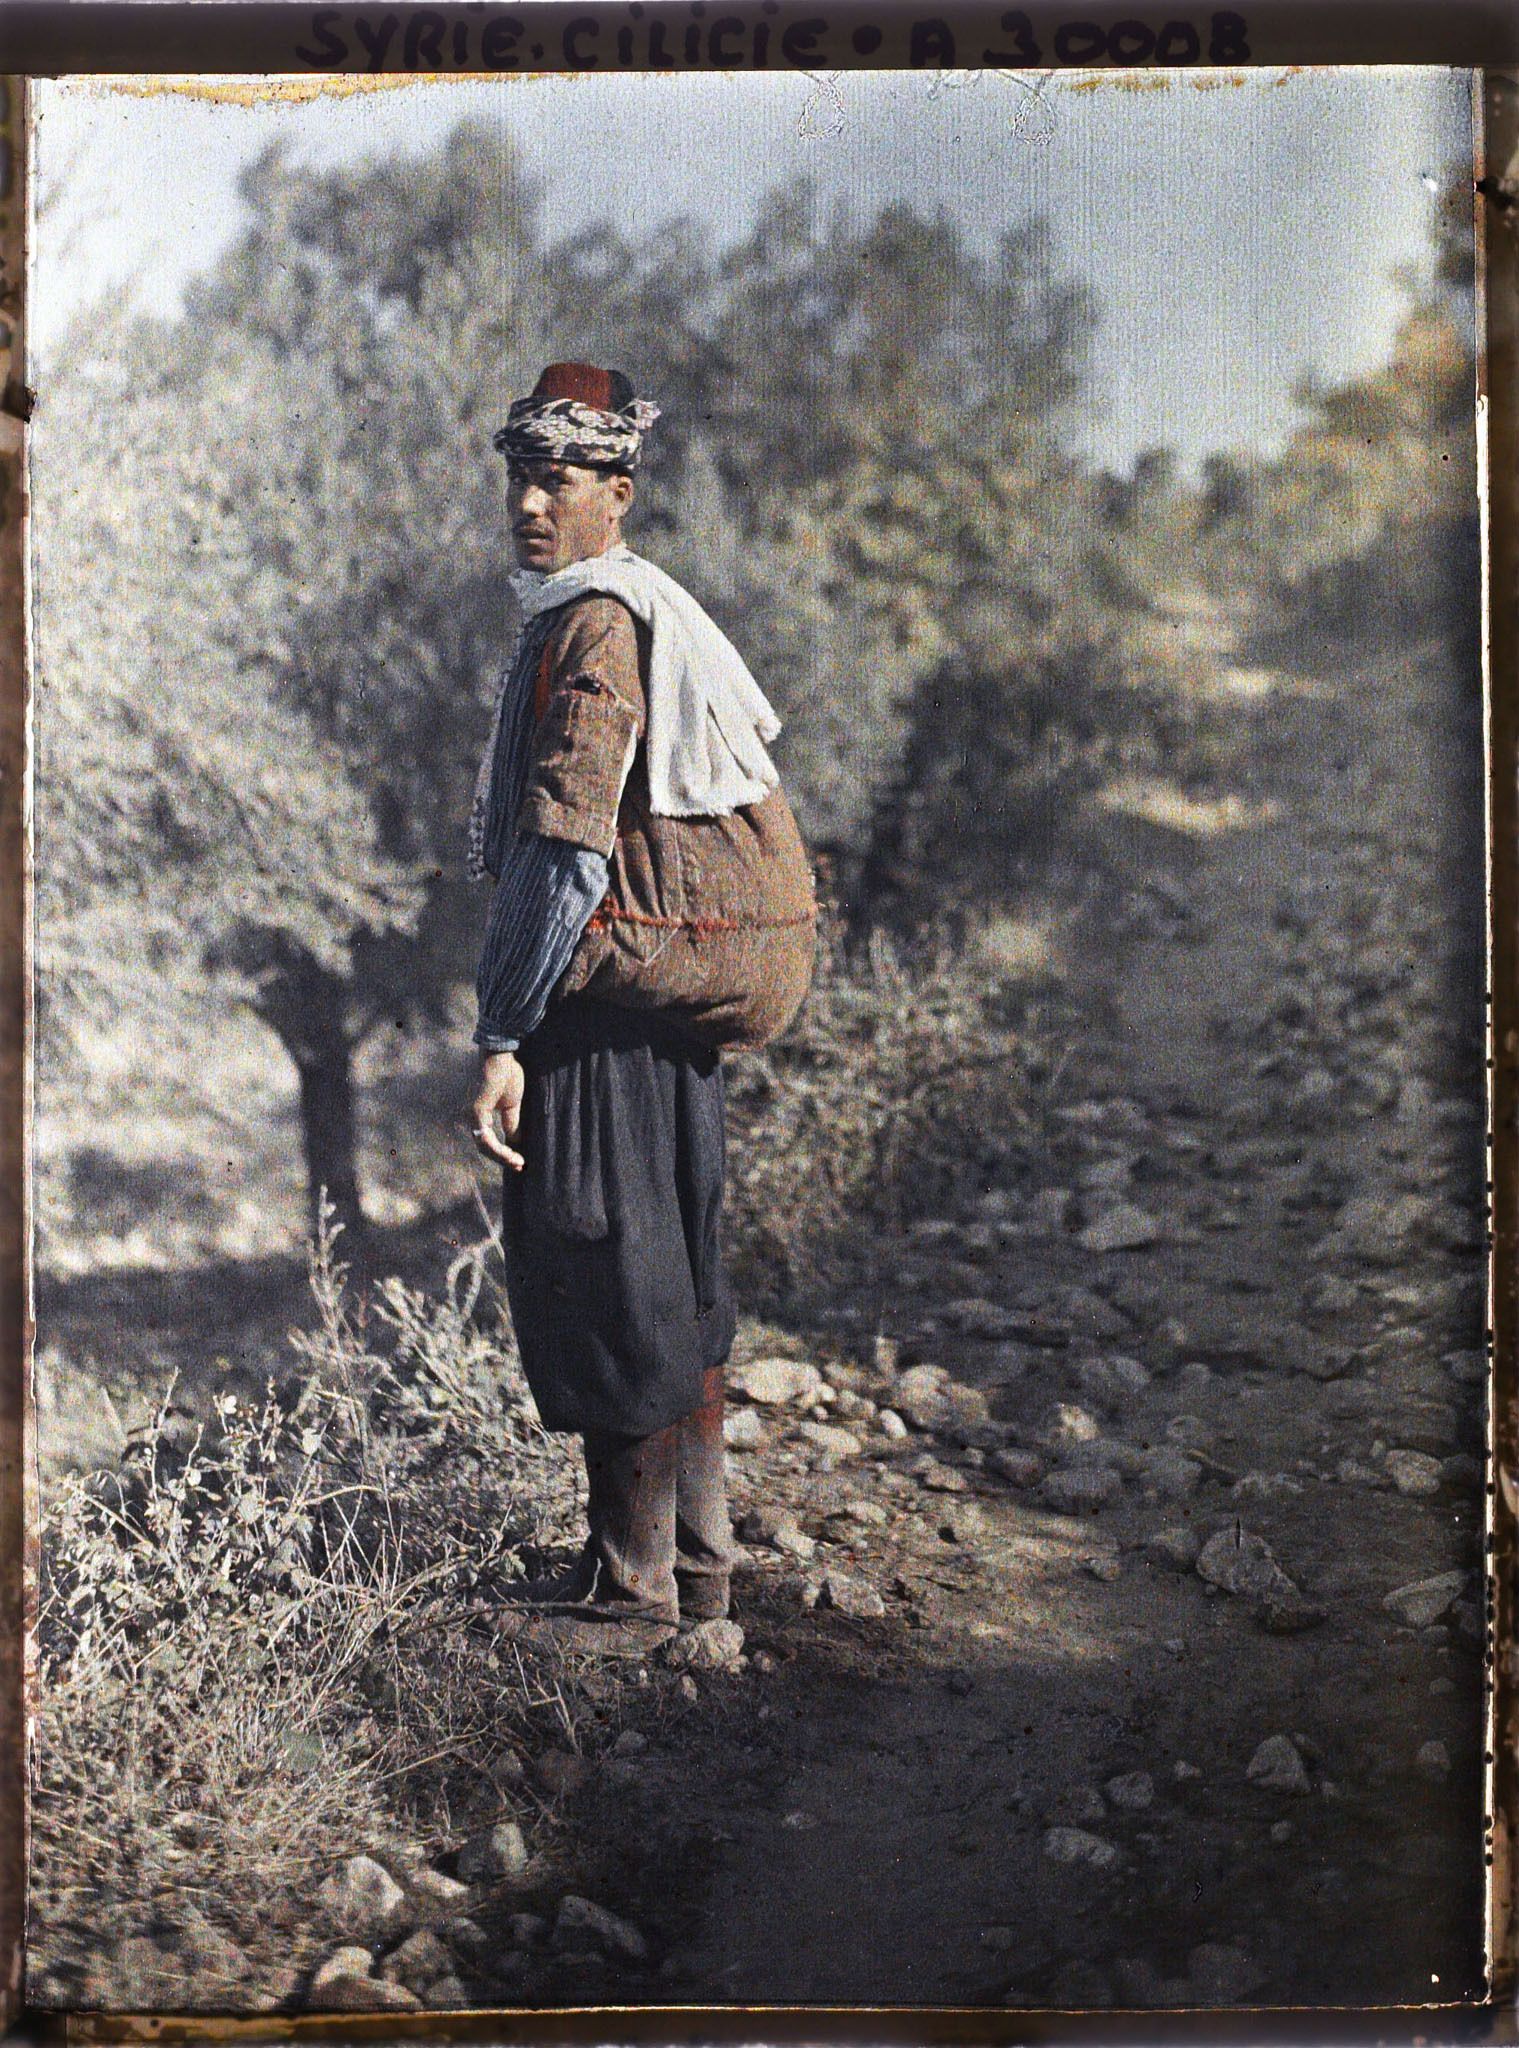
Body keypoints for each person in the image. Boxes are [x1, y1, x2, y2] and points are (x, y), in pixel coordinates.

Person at [466, 362, 815, 1643]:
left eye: (557, 479)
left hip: (600, 1010)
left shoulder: (593, 622)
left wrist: (505, 1032)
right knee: (673, 1277)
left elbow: (564, 847)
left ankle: (631, 1593)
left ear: (616, 494)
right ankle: (702, 1574)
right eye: (519, 476)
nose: (529, 502)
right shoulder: (630, 608)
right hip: (660, 1010)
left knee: (606, 1268)